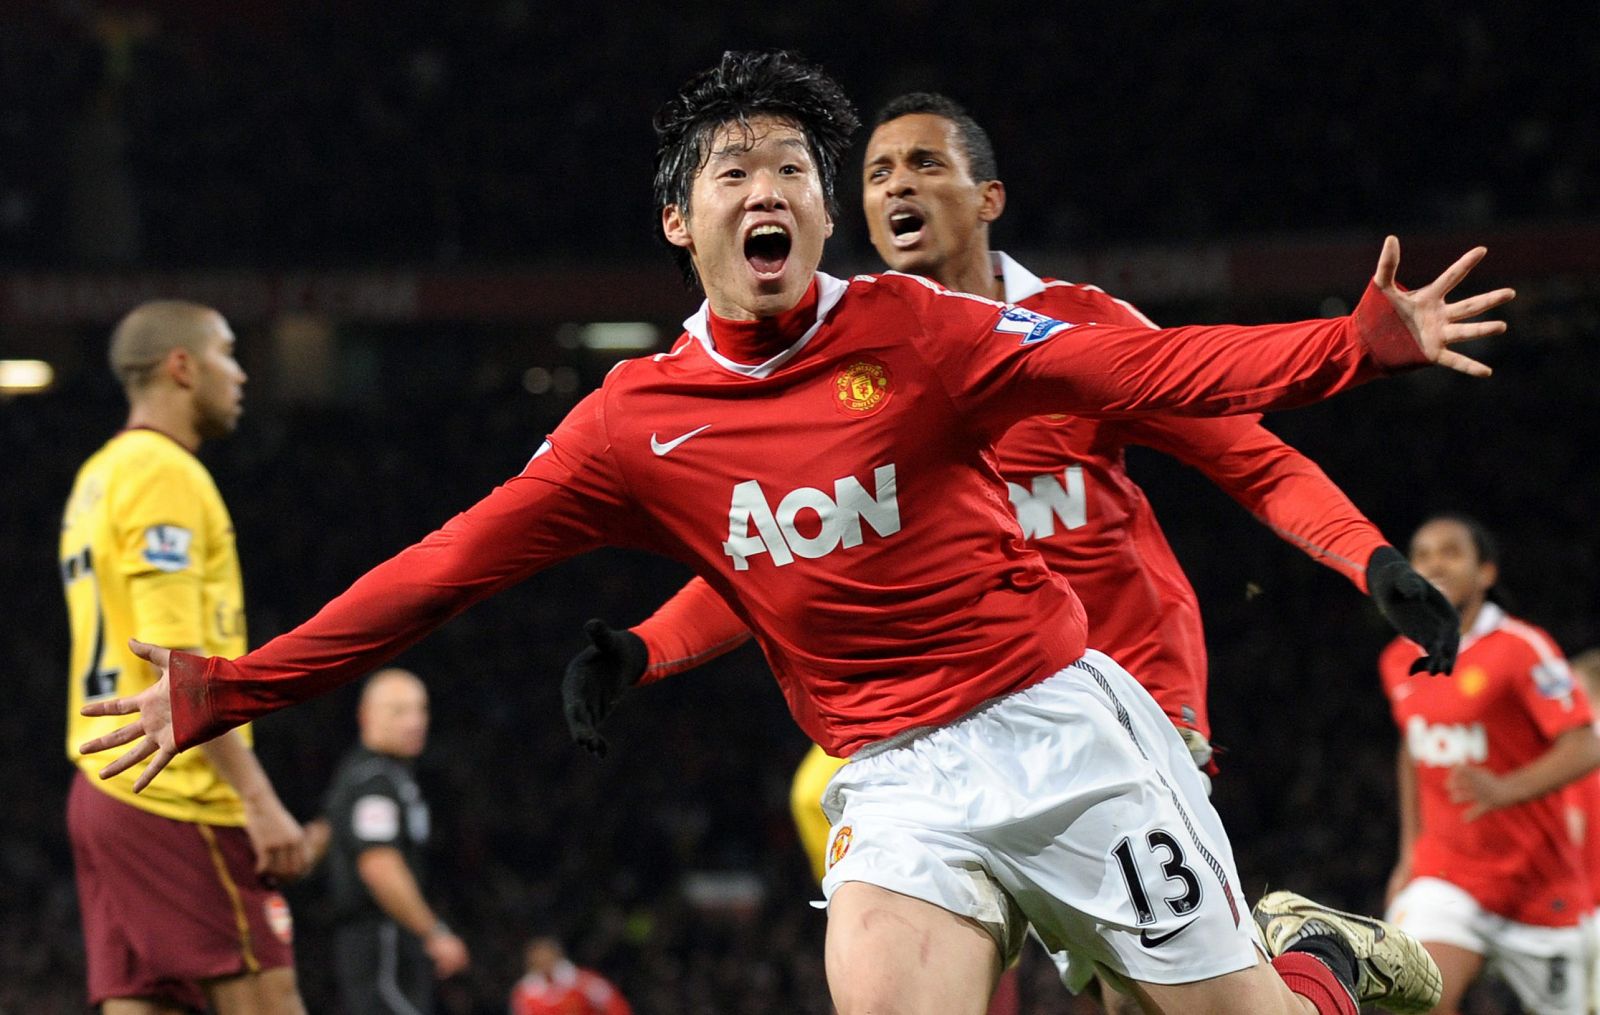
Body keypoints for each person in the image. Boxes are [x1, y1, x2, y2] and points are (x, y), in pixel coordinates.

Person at [83, 51, 1513, 1015]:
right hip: (890, 782)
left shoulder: (930, 332)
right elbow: (444, 567)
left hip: (1070, 735)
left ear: (822, 214)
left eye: (790, 171)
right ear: (677, 223)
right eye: (731, 171)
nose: (766, 188)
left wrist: (1353, 346)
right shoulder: (630, 419)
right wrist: (235, 684)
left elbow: (1157, 376)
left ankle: (1315, 955)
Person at [564, 90, 1458, 1015]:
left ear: (988, 197)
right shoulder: (855, 360)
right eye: (875, 172)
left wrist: (1372, 560)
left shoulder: (1075, 325)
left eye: (923, 164)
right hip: (944, 724)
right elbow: (788, 559)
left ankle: (1312, 957)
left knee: (1134, 1000)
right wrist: (647, 648)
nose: (895, 185)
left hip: (1122, 690)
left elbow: (1250, 458)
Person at [61, 300, 309, 1014]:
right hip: (179, 792)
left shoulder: (97, 476)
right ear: (181, 366)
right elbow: (178, 668)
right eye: (228, 354)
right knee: (269, 998)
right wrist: (258, 801)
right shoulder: (165, 474)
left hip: (104, 787)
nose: (240, 375)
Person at [1381, 514, 1600, 1014]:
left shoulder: (1522, 649)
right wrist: (1410, 854)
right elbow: (1411, 748)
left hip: (1538, 889)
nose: (1434, 562)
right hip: (1448, 879)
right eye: (1422, 554)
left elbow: (1586, 745)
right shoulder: (1398, 659)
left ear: (1486, 573)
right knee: (1414, 999)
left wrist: (1505, 789)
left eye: (1451, 552)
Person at [307, 668, 468, 1014]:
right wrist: (434, 932)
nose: (415, 721)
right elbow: (379, 864)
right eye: (398, 711)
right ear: (365, 716)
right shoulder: (374, 782)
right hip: (381, 941)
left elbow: (324, 834)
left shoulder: (376, 773)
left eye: (420, 709)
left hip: (379, 942)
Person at [509, 936, 631, 1015]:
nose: (543, 963)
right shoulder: (524, 993)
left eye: (546, 957)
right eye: (538, 960)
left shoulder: (584, 981)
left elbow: (615, 1005)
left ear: (557, 955)